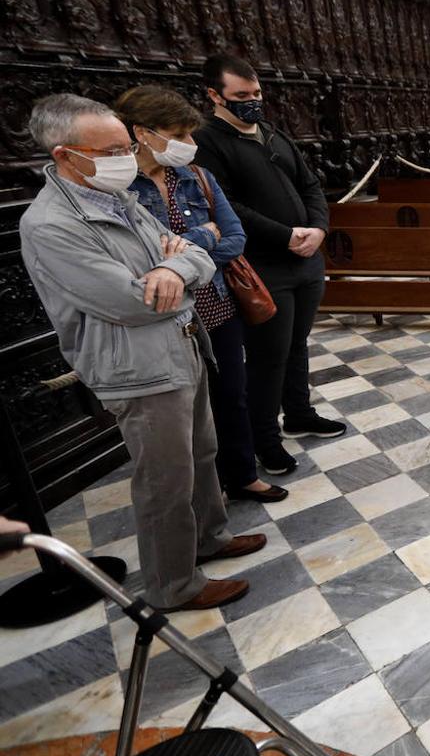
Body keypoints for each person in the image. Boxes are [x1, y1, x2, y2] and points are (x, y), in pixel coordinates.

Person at [20, 94, 266, 610]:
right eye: (111, 149)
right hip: (138, 367)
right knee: (164, 482)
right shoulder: (52, 225)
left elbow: (196, 253)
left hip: (182, 344)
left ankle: (210, 538)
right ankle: (173, 585)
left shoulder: (119, 200)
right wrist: (173, 267)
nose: (125, 157)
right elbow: (133, 301)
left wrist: (174, 266)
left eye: (126, 146)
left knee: (201, 455)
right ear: (67, 156)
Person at [114, 85, 288, 504]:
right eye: (179, 134)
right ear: (143, 132)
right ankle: (199, 495)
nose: (190, 144)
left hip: (217, 304)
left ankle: (243, 474)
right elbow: (136, 260)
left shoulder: (196, 177)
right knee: (186, 412)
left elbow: (233, 239)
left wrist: (180, 256)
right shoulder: (120, 190)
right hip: (167, 315)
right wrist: (199, 239)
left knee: (232, 394)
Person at [193, 55, 344, 476]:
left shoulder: (273, 134)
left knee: (297, 343)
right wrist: (285, 236)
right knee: (268, 357)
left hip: (306, 261)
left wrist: (318, 227)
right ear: (214, 95)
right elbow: (225, 205)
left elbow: (310, 185)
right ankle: (266, 439)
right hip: (263, 267)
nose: (253, 101)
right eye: (241, 96)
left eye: (256, 93)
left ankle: (298, 412)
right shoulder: (208, 142)